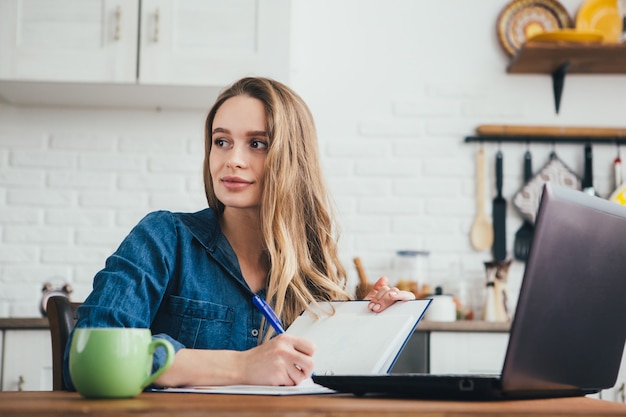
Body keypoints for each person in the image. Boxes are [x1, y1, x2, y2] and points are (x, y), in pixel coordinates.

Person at [63, 77, 415, 389]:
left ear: (292, 158)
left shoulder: (311, 270)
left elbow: (324, 379)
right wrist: (244, 365)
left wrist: (367, 327)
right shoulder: (163, 238)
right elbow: (87, 362)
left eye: (257, 144)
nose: (233, 159)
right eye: (222, 141)